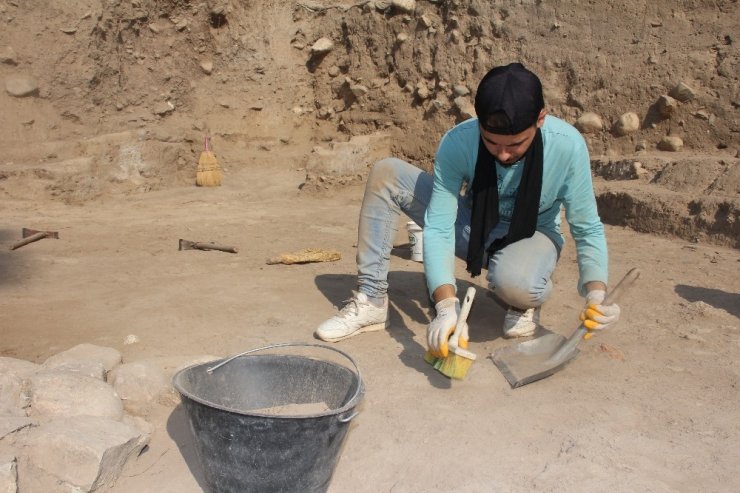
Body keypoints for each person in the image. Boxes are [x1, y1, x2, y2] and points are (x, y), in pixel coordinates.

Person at [314, 62, 620, 359]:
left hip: (532, 232)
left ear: (540, 119)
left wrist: (596, 293)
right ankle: (372, 301)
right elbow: (440, 225)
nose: (502, 154)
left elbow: (586, 225)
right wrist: (446, 306)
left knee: (518, 284)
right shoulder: (459, 141)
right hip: (476, 224)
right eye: (491, 142)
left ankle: (523, 300)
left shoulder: (567, 146)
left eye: (515, 145)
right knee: (387, 173)